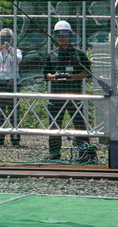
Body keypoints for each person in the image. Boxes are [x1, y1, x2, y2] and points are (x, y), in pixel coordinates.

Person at [43, 20, 92, 161]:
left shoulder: (79, 54)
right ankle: (54, 154)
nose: (62, 37)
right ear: (55, 36)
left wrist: (73, 77)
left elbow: (87, 72)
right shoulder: (51, 55)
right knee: (54, 125)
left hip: (74, 94)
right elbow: (45, 74)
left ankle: (85, 154)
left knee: (79, 125)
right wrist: (54, 77)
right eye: (58, 34)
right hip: (56, 96)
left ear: (70, 35)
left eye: (65, 34)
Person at [0, 28, 23, 146]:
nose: (5, 40)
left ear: (11, 39)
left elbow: (17, 61)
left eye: (7, 38)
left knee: (14, 110)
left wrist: (9, 50)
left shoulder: (16, 50)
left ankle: (15, 137)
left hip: (12, 82)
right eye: (2, 38)